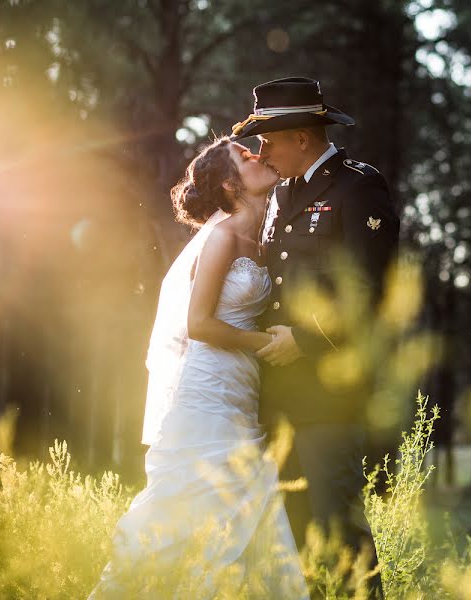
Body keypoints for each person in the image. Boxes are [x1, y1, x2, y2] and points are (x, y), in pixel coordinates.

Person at [89, 137, 308, 599]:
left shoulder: (266, 238)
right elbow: (199, 324)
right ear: (231, 185)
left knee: (247, 515)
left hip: (242, 391)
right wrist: (267, 344)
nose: (259, 155)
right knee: (186, 511)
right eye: (246, 157)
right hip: (207, 390)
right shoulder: (222, 235)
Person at [230, 76, 400, 598]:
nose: (263, 152)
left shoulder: (357, 185)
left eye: (269, 140)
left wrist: (305, 338)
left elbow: (371, 289)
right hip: (279, 393)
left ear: (301, 138)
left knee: (340, 530)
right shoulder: (282, 194)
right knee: (296, 535)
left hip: (329, 390)